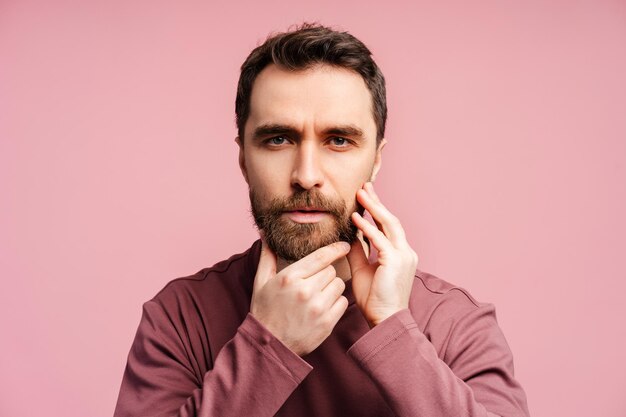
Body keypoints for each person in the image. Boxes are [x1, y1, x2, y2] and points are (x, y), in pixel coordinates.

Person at [113, 22, 530, 417]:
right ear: (243, 158)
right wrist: (268, 345)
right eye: (278, 139)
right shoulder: (182, 318)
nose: (306, 175)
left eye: (338, 141)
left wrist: (394, 331)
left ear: (376, 159)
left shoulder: (454, 323)